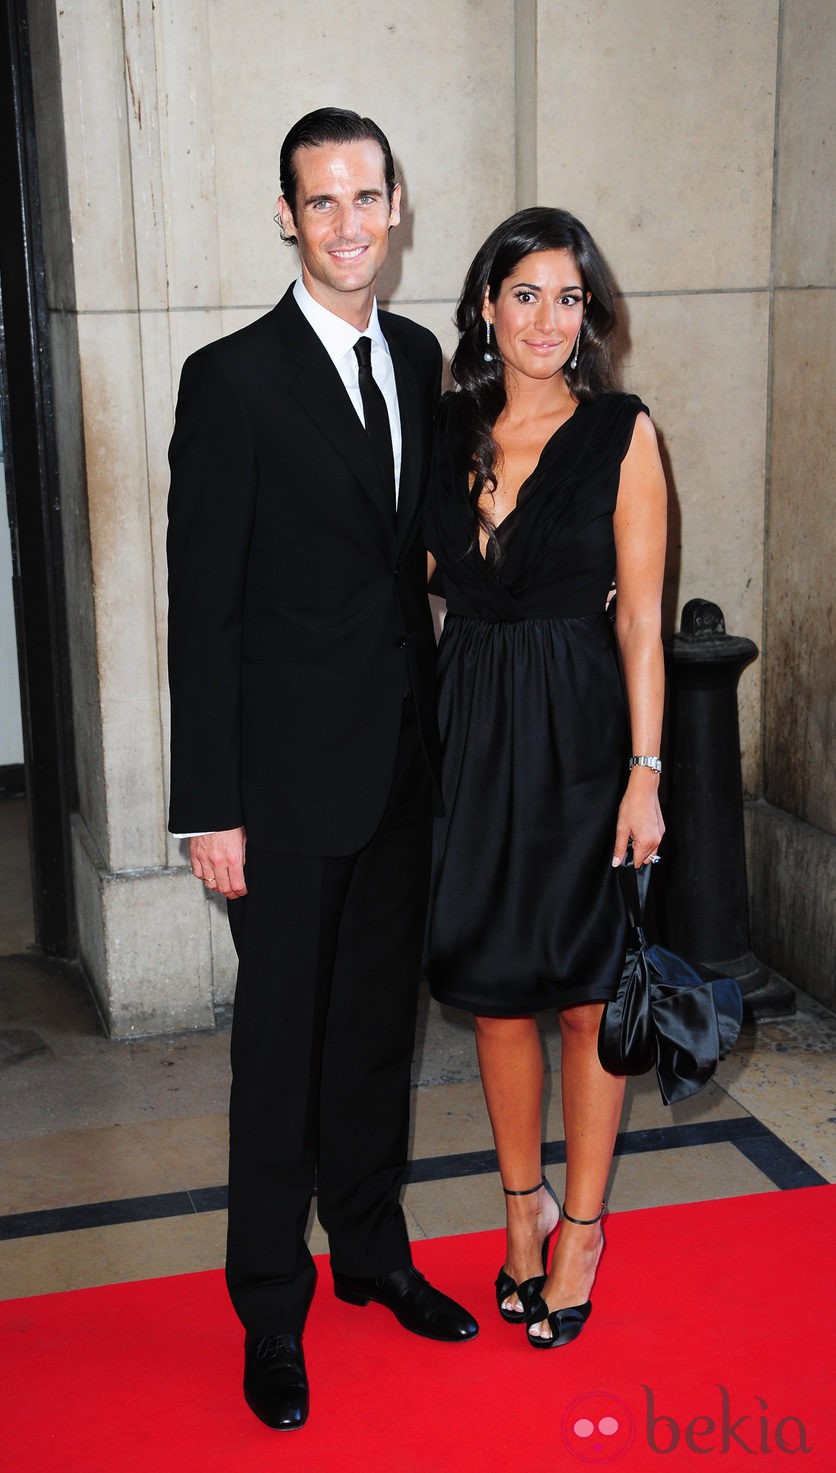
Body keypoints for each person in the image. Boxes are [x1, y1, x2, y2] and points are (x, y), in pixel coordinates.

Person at [166, 107, 478, 1432]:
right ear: (286, 219)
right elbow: (205, 611)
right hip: (284, 791)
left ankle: (372, 1250)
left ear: (398, 205)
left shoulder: (416, 357)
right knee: (279, 1059)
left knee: (371, 1038)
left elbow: (430, 556)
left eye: (369, 196)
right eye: (322, 201)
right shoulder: (231, 379)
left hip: (401, 764)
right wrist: (208, 807)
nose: (350, 223)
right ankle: (269, 1310)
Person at [423, 207, 666, 1350]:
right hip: (467, 722)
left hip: (579, 732)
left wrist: (644, 772)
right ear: (483, 305)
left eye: (567, 298)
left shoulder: (622, 432)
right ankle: (516, 1211)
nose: (544, 319)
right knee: (491, 989)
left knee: (583, 995)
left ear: (587, 317)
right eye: (523, 293)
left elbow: (643, 629)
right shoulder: (441, 432)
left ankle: (580, 1227)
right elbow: (390, 575)